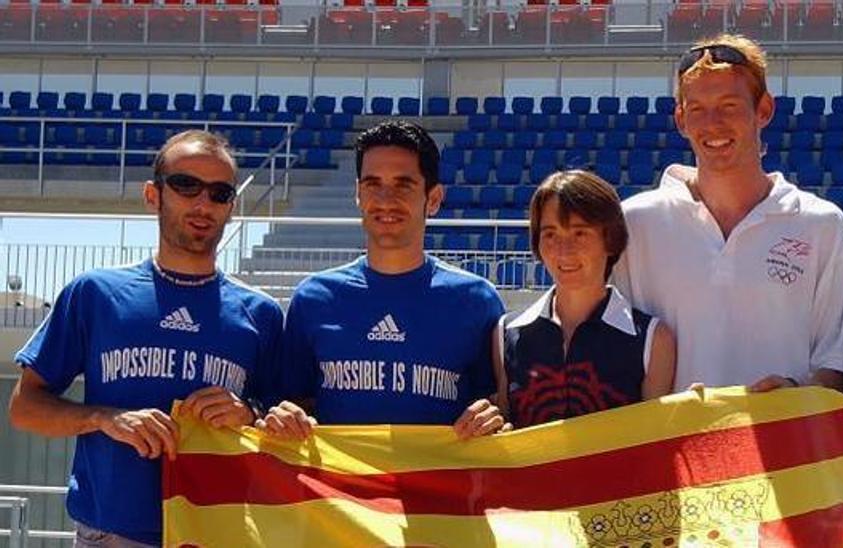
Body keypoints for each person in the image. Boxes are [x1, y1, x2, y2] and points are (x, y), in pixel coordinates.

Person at [7, 130, 282, 547]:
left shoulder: (261, 313)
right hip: (112, 534)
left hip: (218, 532)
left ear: (231, 207)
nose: (203, 203)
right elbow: (25, 408)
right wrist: (105, 418)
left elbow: (287, 421)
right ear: (153, 195)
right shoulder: (95, 294)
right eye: (186, 185)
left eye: (220, 193)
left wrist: (249, 412)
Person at [612, 34, 843, 392]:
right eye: (697, 108)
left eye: (729, 105)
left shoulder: (822, 226)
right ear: (680, 119)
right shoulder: (634, 224)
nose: (713, 123)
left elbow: (836, 359)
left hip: (782, 445)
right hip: (671, 446)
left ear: (764, 110)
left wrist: (798, 395)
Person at [260, 121, 506, 439]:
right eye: (373, 184)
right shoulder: (314, 299)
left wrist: (492, 419)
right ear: (358, 195)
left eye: (403, 184)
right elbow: (292, 402)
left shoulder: (476, 300)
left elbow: (498, 409)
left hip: (435, 487)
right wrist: (284, 417)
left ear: (433, 198)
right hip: (340, 488)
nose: (386, 199)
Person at [494, 170, 676, 427]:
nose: (564, 250)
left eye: (580, 233)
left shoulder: (654, 340)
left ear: (610, 240)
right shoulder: (505, 334)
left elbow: (653, 445)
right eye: (550, 234)